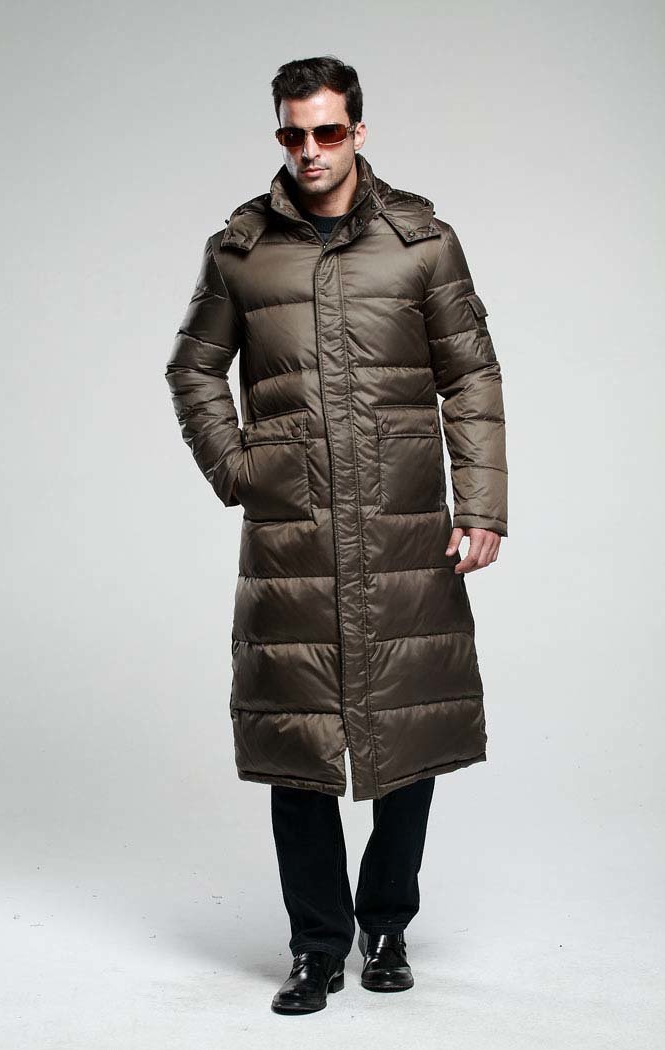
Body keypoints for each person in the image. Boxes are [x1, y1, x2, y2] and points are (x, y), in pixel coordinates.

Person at [165, 55, 508, 1016]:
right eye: (292, 133)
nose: (309, 150)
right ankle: (316, 945)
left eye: (326, 131)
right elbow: (193, 369)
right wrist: (239, 470)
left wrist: (480, 505)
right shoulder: (240, 250)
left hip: (403, 521)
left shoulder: (422, 241)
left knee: (411, 723)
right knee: (300, 736)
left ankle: (387, 924)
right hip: (295, 529)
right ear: (279, 135)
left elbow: (471, 375)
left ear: (358, 131)